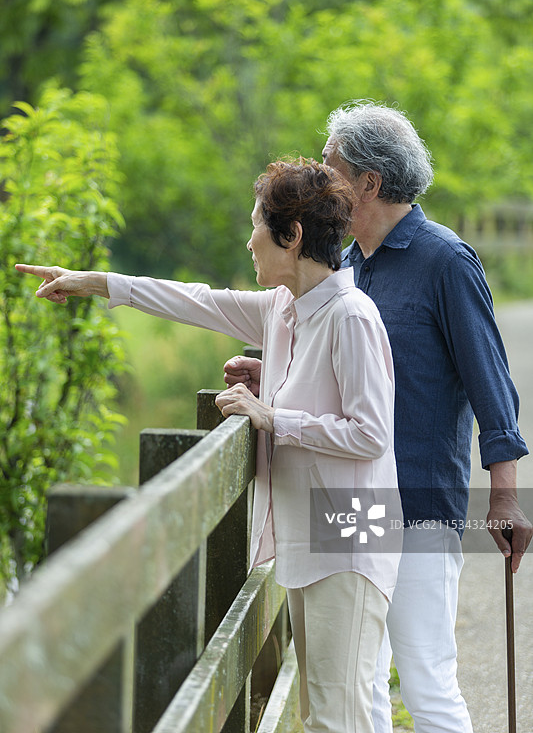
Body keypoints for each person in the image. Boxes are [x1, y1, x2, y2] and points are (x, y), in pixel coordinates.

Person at [16, 157, 402, 733]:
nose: (248, 240)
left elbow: (371, 435)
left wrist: (271, 415)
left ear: (291, 236)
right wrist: (93, 281)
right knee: (324, 711)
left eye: (256, 225)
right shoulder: (284, 309)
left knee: (336, 716)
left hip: (349, 530)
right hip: (316, 529)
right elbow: (195, 301)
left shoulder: (352, 316)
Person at [224, 103, 533, 733]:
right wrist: (275, 376)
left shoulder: (445, 260)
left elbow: (490, 381)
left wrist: (505, 492)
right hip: (353, 501)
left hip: (418, 498)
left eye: (332, 166)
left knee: (425, 679)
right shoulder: (348, 266)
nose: (323, 179)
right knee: (356, 684)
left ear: (369, 182)